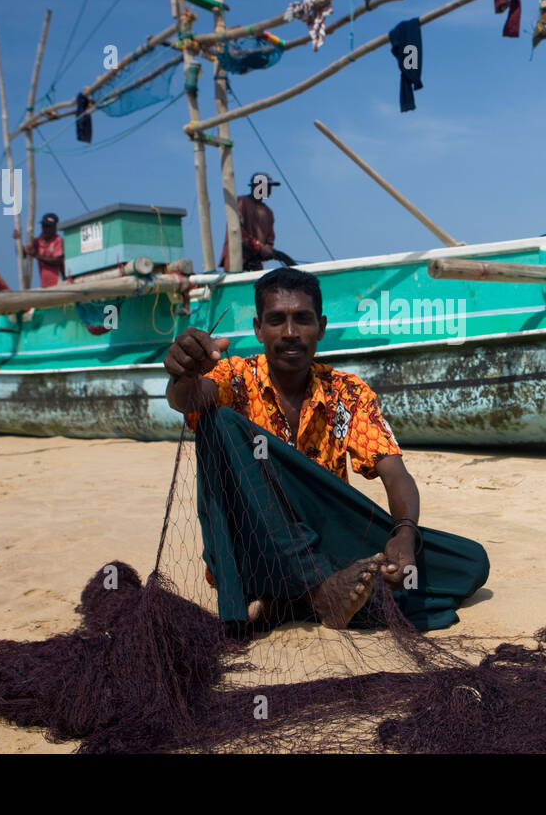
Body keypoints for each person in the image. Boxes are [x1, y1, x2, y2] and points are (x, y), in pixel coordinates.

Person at [163, 267, 489, 631]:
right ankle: (318, 593)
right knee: (217, 421)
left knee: (469, 562)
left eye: (302, 319)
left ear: (321, 326)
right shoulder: (233, 378)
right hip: (252, 549)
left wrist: (405, 534)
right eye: (276, 321)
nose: (289, 333)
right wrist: (183, 374)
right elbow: (187, 398)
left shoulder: (346, 391)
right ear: (258, 329)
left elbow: (394, 471)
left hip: (322, 542)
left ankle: (295, 598)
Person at [220, 172, 279, 272]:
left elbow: (270, 238)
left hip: (256, 263)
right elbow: (237, 230)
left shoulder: (268, 212)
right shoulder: (240, 203)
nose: (269, 190)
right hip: (236, 260)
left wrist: (268, 249)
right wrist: (259, 247)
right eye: (267, 186)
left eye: (270, 187)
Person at [20, 213, 65, 287]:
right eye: (44, 226)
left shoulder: (58, 240)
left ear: (55, 228)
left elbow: (57, 261)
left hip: (59, 283)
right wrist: (18, 239)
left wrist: (36, 255)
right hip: (45, 285)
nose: (45, 229)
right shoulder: (38, 241)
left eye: (48, 226)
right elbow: (23, 254)